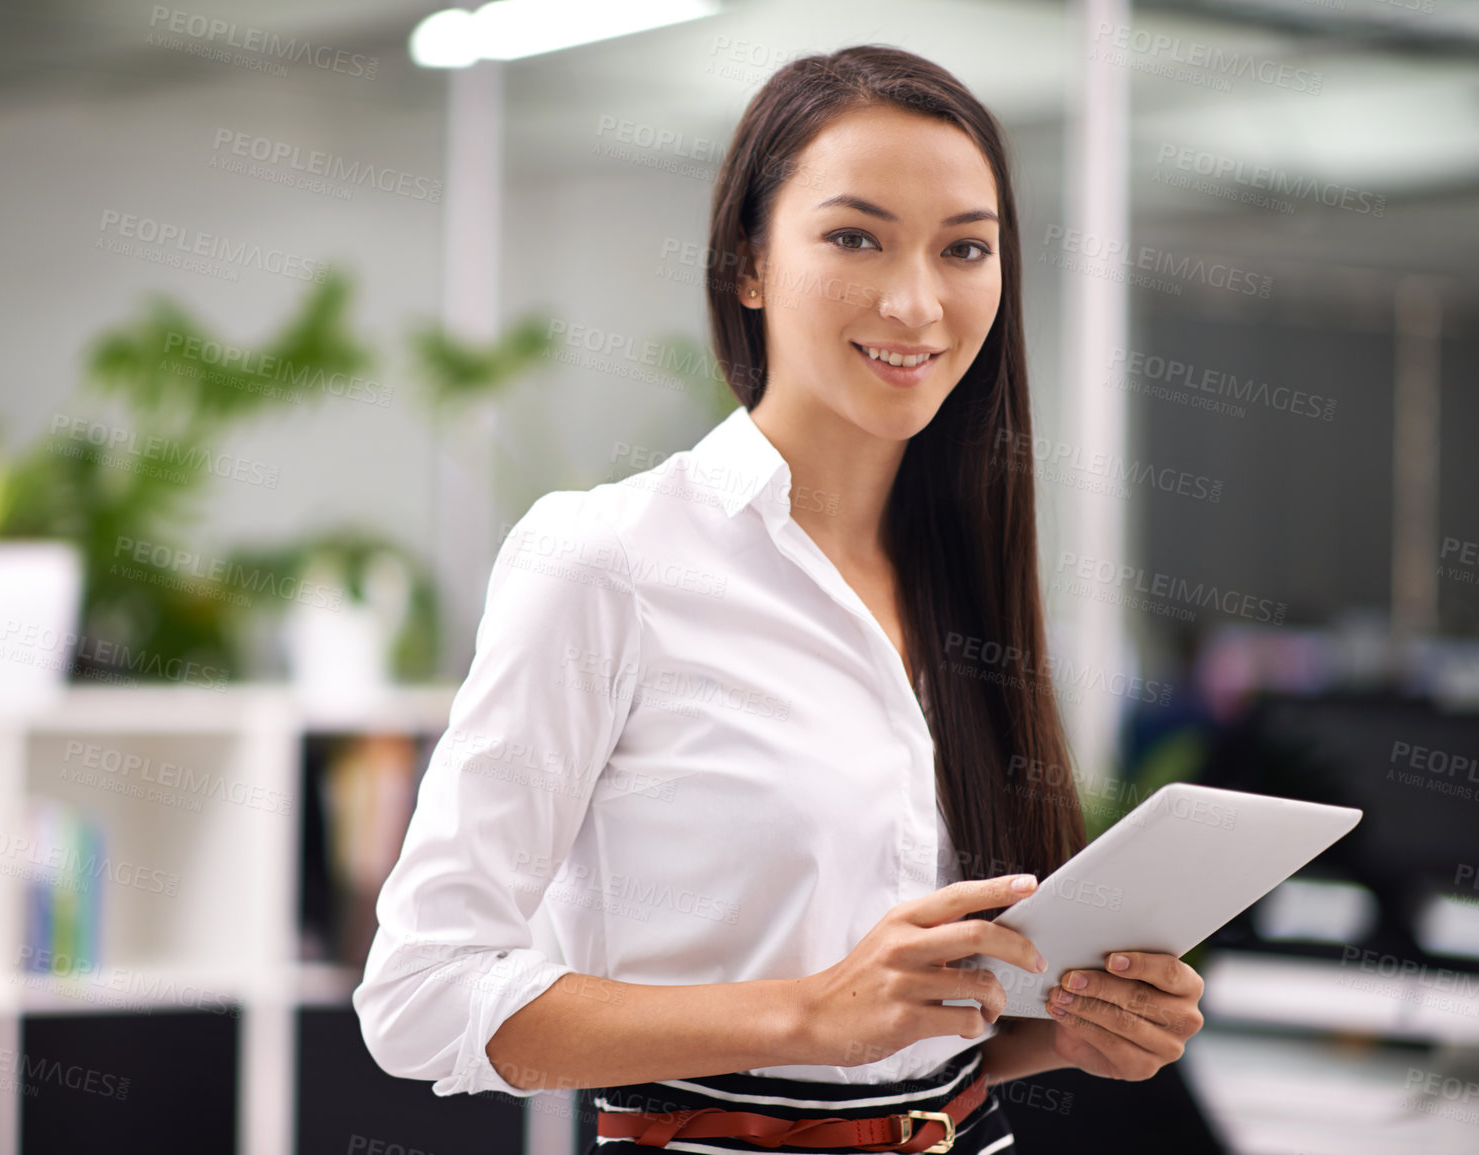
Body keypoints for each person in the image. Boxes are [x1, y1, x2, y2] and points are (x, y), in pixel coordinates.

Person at [353, 44, 1206, 1152]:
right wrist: (813, 1013)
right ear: (747, 264)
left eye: (965, 250)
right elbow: (419, 997)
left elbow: (908, 1038)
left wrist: (1081, 1026)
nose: (915, 300)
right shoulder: (606, 559)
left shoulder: (968, 573)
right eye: (855, 237)